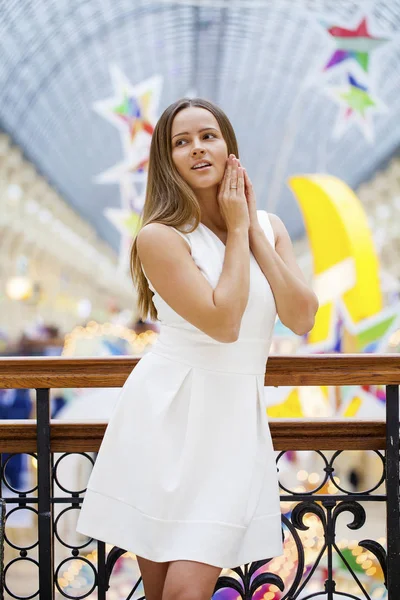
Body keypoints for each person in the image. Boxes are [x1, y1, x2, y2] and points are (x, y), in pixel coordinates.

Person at [76, 97, 319, 600]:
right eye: (180, 142)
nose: (197, 149)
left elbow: (301, 316)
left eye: (208, 135)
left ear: (229, 146)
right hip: (166, 417)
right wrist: (234, 230)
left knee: (187, 587)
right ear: (167, 162)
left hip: (232, 424)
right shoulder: (159, 237)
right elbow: (224, 323)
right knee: (170, 591)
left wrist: (251, 230)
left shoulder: (268, 227)